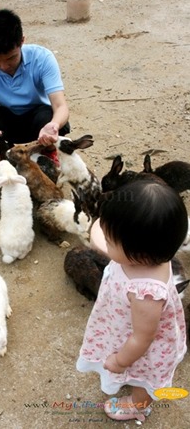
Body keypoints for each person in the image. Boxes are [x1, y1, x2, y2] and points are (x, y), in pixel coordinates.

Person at [76, 179, 188, 422]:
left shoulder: (147, 292)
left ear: (137, 253)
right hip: (123, 326)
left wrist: (120, 360)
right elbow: (102, 239)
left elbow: (142, 337)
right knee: (134, 369)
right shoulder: (150, 251)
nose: (104, 239)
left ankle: (138, 404)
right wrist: (105, 228)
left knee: (144, 378)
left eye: (110, 239)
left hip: (143, 348)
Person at [0, 8, 70, 160]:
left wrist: (54, 125)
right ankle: (3, 155)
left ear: (22, 41)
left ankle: (48, 152)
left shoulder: (42, 58)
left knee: (49, 116)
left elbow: (61, 106)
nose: (4, 66)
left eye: (11, 58)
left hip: (39, 120)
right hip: (8, 123)